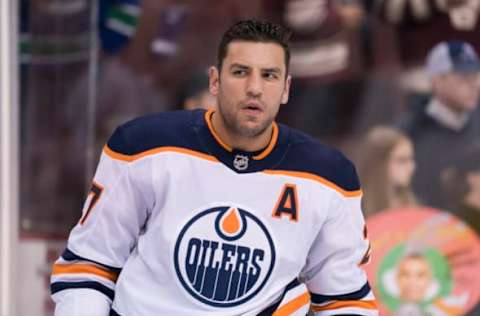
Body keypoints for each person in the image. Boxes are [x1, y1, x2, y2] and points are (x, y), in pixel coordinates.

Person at [50, 19, 377, 316]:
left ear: (286, 88)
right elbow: (89, 266)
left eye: (269, 75)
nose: (254, 88)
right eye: (240, 72)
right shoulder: (143, 146)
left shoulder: (329, 178)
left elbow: (344, 299)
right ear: (215, 81)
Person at [398, 41, 480, 209]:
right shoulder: (409, 134)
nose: (474, 85)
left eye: (476, 75)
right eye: (463, 77)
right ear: (436, 81)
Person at [356, 126, 417, 217]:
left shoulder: (412, 205)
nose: (412, 167)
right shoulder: (354, 210)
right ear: (379, 163)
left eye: (411, 159)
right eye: (401, 160)